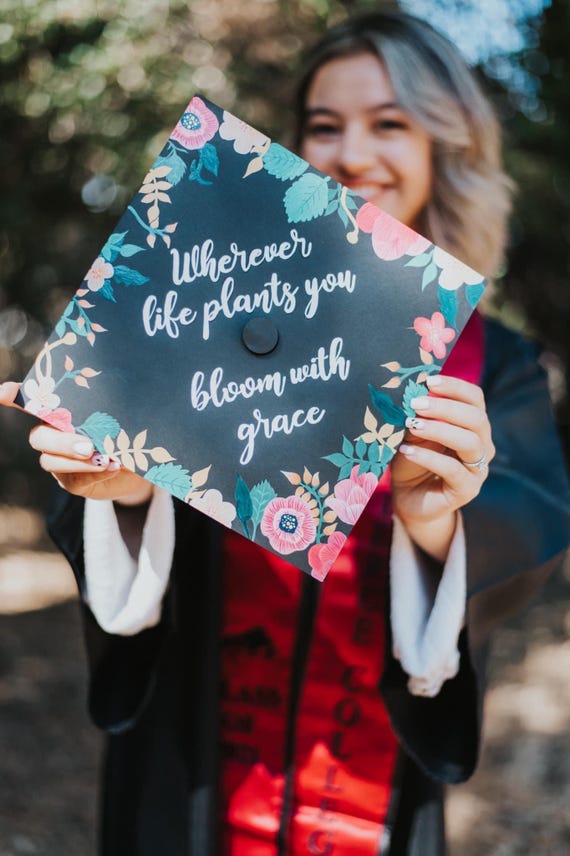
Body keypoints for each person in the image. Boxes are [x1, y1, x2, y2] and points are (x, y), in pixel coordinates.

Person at [1, 9, 569, 856]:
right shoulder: (217, 306)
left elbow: (522, 546)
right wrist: (126, 494)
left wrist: (435, 524)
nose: (351, 152)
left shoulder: (493, 360)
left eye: (390, 123)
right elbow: (137, 490)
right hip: (191, 767)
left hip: (370, 782)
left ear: (443, 145)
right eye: (323, 125)